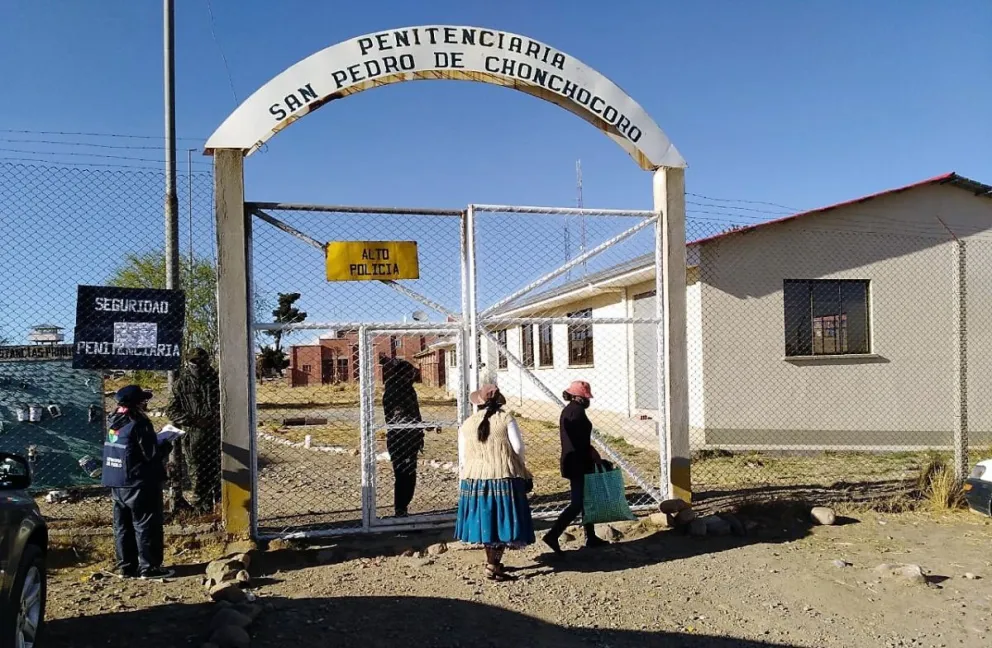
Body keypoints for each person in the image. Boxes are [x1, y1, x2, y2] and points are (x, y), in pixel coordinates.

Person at [454, 384, 535, 581]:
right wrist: (520, 467)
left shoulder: (467, 424)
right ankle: (493, 565)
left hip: (475, 480)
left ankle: (492, 562)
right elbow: (518, 448)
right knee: (501, 521)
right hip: (503, 477)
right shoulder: (506, 419)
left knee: (486, 523)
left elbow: (463, 457)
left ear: (479, 402)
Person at [101, 385, 174, 579]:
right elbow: (151, 453)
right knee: (146, 524)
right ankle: (149, 568)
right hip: (138, 481)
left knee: (122, 526)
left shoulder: (114, 419)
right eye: (143, 400)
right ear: (137, 403)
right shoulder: (139, 422)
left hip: (116, 480)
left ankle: (126, 566)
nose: (146, 403)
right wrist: (166, 443)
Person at [542, 380, 607, 554]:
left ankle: (590, 536)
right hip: (577, 462)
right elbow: (580, 442)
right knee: (577, 503)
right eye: (585, 397)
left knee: (585, 501)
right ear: (577, 397)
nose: (588, 400)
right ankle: (553, 534)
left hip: (576, 461)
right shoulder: (575, 413)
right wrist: (593, 455)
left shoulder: (572, 411)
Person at [166, 347, 221, 512]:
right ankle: (201, 510)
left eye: (201, 361)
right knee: (198, 472)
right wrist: (193, 420)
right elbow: (171, 410)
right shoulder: (181, 384)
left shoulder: (217, 379)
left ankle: (221, 508)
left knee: (221, 471)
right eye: (194, 361)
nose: (198, 364)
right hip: (195, 434)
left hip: (220, 432)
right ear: (188, 362)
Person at [381, 356, 423, 517]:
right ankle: (400, 508)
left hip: (409, 437)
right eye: (410, 374)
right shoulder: (397, 389)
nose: (413, 377)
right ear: (403, 374)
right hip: (402, 437)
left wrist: (419, 428)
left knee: (408, 474)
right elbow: (400, 416)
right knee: (403, 474)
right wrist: (415, 426)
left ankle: (402, 508)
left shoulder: (405, 388)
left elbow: (411, 414)